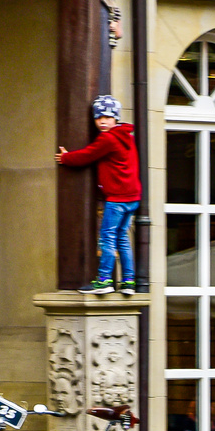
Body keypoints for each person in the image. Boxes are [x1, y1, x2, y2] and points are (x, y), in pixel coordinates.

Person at [58, 95, 141, 295]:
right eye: (98, 118)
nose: (103, 121)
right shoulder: (128, 137)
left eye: (107, 117)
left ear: (116, 119)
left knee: (107, 238)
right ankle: (129, 281)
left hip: (117, 200)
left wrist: (66, 157)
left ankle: (104, 280)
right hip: (133, 198)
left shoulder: (108, 138)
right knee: (122, 238)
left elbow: (88, 155)